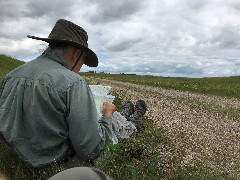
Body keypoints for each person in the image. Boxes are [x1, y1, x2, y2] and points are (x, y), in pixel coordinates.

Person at [0, 19, 147, 174]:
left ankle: (124, 116)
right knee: (105, 120)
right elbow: (91, 149)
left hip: (22, 155)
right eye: (83, 61)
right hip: (57, 164)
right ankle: (132, 123)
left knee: (97, 116)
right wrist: (107, 116)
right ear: (77, 54)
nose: (81, 66)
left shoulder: (12, 75)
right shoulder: (73, 82)